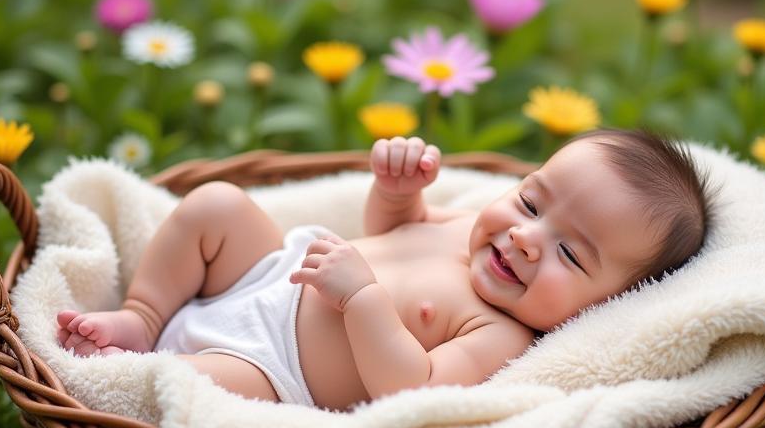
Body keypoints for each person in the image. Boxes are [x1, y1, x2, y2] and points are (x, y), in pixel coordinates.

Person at [56, 130, 709, 411]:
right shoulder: (468, 225)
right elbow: (394, 231)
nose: (526, 237)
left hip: (274, 368)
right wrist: (399, 194)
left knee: (184, 388)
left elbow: (413, 391)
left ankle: (125, 372)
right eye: (532, 201)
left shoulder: (501, 334)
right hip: (262, 273)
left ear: (605, 305)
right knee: (215, 204)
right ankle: (142, 316)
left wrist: (366, 301)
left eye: (571, 253)